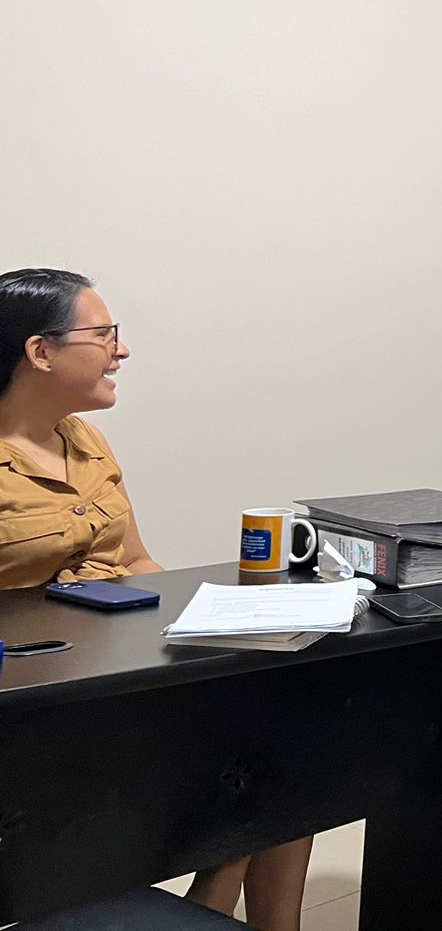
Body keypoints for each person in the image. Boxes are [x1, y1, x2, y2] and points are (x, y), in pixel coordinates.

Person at [0, 267, 314, 930]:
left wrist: (216, 620)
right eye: (104, 334)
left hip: (120, 676)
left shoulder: (85, 440)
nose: (121, 350)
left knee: (287, 747)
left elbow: (137, 561)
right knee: (244, 786)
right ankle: (215, 884)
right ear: (40, 351)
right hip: (36, 708)